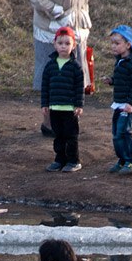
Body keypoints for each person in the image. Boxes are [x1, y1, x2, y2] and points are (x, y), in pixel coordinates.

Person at [29, 0, 92, 137]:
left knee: (74, 77)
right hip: (52, 32)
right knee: (53, 78)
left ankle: (71, 122)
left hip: (76, 32)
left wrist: (83, 18)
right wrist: (56, 11)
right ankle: (49, 124)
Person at [102, 25, 132, 175]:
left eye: (117, 43)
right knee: (116, 133)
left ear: (128, 45)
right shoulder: (120, 62)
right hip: (119, 103)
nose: (113, 46)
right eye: (112, 42)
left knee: (123, 132)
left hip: (129, 105)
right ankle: (123, 159)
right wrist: (112, 81)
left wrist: (130, 104)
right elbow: (123, 81)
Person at [41, 26, 84, 173]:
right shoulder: (50, 65)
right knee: (58, 136)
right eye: (60, 43)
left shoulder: (75, 67)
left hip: (70, 109)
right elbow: (45, 86)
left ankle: (73, 161)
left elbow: (79, 88)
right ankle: (59, 159)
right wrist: (44, 104)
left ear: (74, 45)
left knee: (71, 136)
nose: (63, 46)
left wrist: (79, 105)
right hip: (54, 108)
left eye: (67, 43)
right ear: (55, 44)